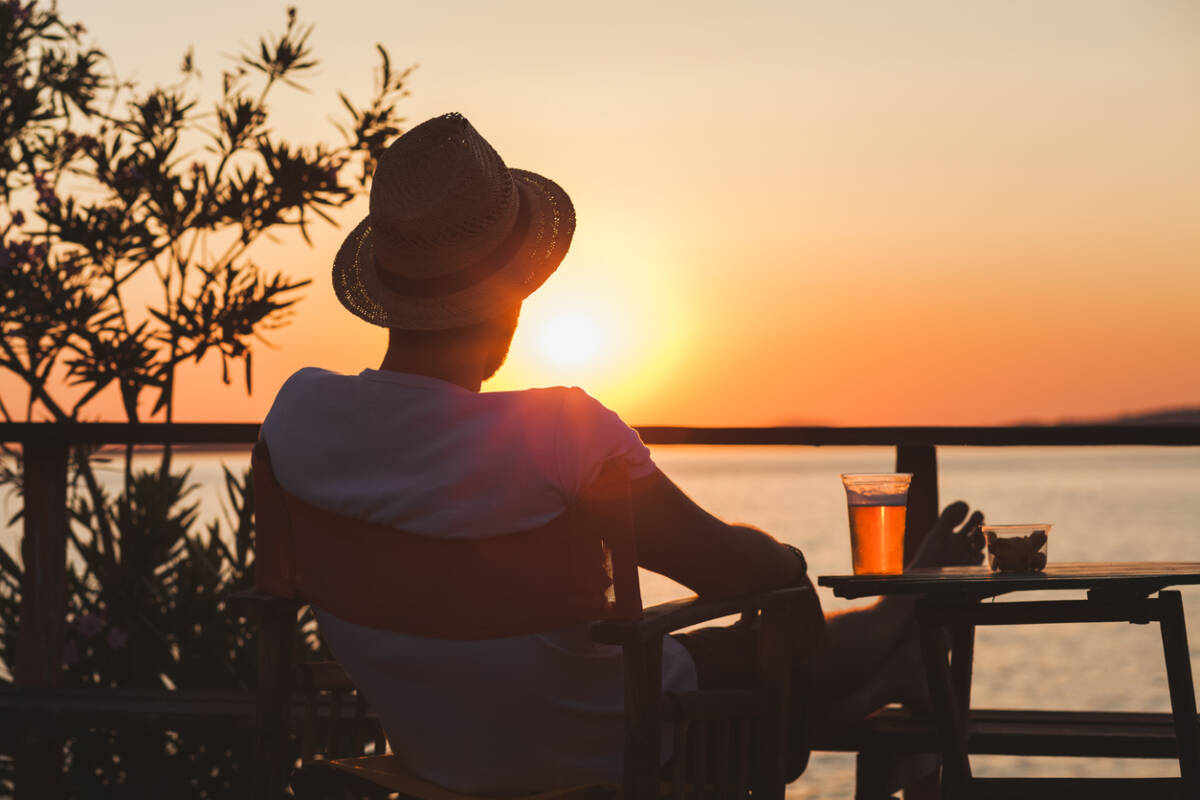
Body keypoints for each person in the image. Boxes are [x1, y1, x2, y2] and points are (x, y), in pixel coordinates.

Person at [261, 112, 983, 795]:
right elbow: (724, 565)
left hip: (432, 760)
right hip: (626, 754)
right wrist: (789, 568)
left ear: (390, 291)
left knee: (800, 673)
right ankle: (905, 615)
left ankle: (902, 652)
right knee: (763, 656)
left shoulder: (299, 419)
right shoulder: (560, 434)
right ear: (512, 298)